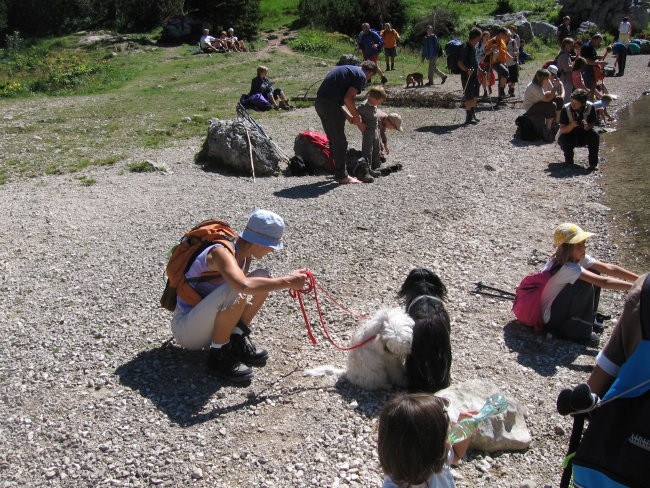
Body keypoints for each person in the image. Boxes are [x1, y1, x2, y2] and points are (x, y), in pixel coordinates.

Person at [170, 209, 308, 382]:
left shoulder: (244, 254)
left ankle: (235, 339)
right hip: (186, 330)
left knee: (263, 276)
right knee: (238, 289)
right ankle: (218, 357)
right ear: (259, 242)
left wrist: (288, 280)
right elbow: (243, 285)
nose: (272, 251)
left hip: (204, 323)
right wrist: (289, 282)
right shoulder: (221, 253)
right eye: (272, 245)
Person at [539, 222, 639, 346]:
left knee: (593, 271)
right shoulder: (567, 267)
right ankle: (578, 331)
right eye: (578, 245)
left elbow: (609, 268)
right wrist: (638, 287)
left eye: (584, 243)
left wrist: (641, 279)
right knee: (585, 283)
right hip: (549, 319)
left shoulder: (572, 257)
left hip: (557, 307)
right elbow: (604, 282)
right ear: (566, 248)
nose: (584, 247)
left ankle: (588, 320)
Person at [378, 393, 472, 488]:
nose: (451, 439)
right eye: (447, 437)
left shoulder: (439, 458)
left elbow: (456, 454)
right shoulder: (437, 457)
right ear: (432, 449)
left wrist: (465, 431)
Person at [315, 60, 380, 184]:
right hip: (330, 105)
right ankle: (342, 176)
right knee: (340, 142)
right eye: (370, 76)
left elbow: (339, 100)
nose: (368, 79)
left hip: (320, 103)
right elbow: (348, 98)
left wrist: (349, 116)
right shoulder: (360, 75)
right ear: (369, 72)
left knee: (333, 139)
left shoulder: (347, 69)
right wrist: (357, 115)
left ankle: (337, 170)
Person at [587, 273, 649, 397]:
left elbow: (612, 359)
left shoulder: (644, 289)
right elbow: (605, 279)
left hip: (631, 406)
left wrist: (582, 407)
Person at [353, 85, 387, 181]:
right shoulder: (364, 106)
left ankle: (375, 166)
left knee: (376, 148)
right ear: (373, 98)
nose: (381, 102)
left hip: (375, 130)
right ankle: (365, 170)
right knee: (367, 150)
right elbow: (355, 114)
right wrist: (361, 124)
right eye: (380, 100)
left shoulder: (374, 105)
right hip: (368, 131)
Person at [522, 68, 560, 141]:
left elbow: (543, 95)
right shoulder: (534, 87)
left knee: (559, 100)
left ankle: (556, 123)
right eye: (547, 78)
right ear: (542, 78)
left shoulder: (538, 84)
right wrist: (555, 88)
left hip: (537, 103)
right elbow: (547, 99)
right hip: (531, 108)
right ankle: (548, 130)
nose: (548, 80)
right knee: (552, 105)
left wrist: (551, 92)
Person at [458, 27, 483, 125]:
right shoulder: (466, 47)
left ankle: (472, 113)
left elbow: (475, 62)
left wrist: (480, 70)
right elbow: (459, 62)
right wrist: (466, 70)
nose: (479, 40)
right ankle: (468, 118)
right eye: (479, 38)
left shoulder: (473, 47)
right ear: (476, 37)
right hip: (467, 76)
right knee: (469, 96)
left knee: (475, 95)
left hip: (475, 75)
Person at [486, 27, 514, 103]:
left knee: (502, 79)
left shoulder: (502, 40)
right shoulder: (492, 41)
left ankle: (500, 98)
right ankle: (501, 91)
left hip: (503, 62)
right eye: (506, 34)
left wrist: (512, 58)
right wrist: (491, 49)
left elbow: (504, 52)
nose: (507, 36)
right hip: (495, 62)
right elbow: (486, 53)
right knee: (506, 73)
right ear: (501, 34)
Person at [556, 37, 575, 102]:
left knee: (563, 95)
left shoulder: (562, 53)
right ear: (566, 45)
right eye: (571, 45)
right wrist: (574, 66)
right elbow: (566, 68)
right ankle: (564, 111)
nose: (572, 47)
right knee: (566, 97)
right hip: (565, 79)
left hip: (562, 78)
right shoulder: (564, 55)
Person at [505, 28, 520, 97]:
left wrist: (516, 53)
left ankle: (512, 90)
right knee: (508, 79)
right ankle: (510, 88)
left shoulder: (513, 41)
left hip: (513, 62)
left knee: (513, 78)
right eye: (506, 35)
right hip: (505, 63)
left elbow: (517, 51)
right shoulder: (502, 42)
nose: (508, 37)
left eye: (509, 35)